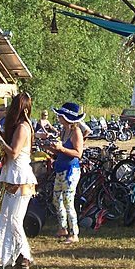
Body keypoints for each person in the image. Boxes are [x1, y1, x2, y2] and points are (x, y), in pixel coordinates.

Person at [0, 92, 37, 269]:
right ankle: (15, 259)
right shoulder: (20, 126)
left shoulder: (23, 127)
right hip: (14, 178)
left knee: (15, 221)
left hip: (21, 179)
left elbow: (14, 152)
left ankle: (24, 259)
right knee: (6, 220)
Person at [48, 102, 85, 244]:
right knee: (56, 199)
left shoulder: (76, 132)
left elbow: (78, 153)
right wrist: (52, 148)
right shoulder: (64, 131)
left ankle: (74, 233)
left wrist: (61, 149)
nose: (58, 117)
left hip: (71, 171)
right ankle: (62, 227)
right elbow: (60, 151)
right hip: (60, 169)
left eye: (60, 115)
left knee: (69, 202)